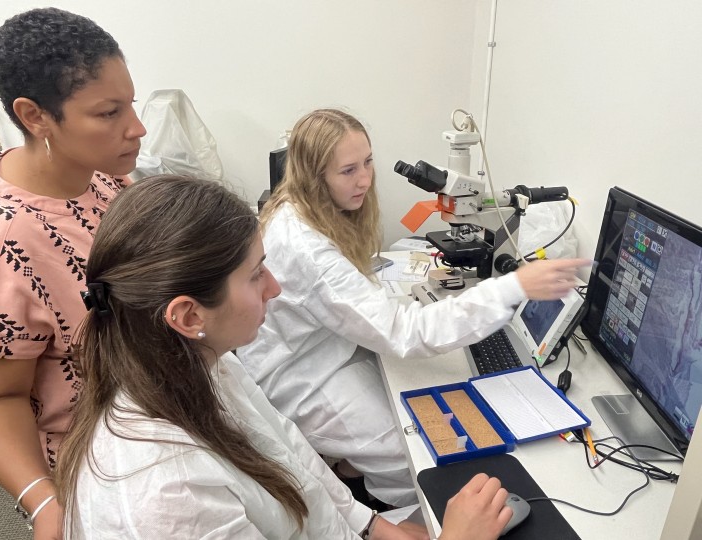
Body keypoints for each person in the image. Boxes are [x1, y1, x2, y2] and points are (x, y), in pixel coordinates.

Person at [55, 174, 514, 539]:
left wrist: (369, 525)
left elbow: (286, 450)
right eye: (256, 275)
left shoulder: (204, 363)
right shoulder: (168, 497)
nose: (275, 288)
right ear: (189, 314)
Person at [237, 108, 588, 507]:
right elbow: (403, 333)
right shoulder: (306, 247)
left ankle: (353, 467)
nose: (365, 179)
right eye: (348, 170)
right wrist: (513, 286)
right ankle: (395, 513)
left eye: (368, 162)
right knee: (415, 452)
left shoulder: (302, 209)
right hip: (302, 379)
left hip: (323, 350)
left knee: (418, 395)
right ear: (314, 177)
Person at [0, 8, 145, 538]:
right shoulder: (5, 240)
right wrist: (44, 502)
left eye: (132, 105)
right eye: (109, 113)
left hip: (156, 413)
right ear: (35, 116)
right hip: (100, 464)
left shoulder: (109, 182)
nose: (136, 128)